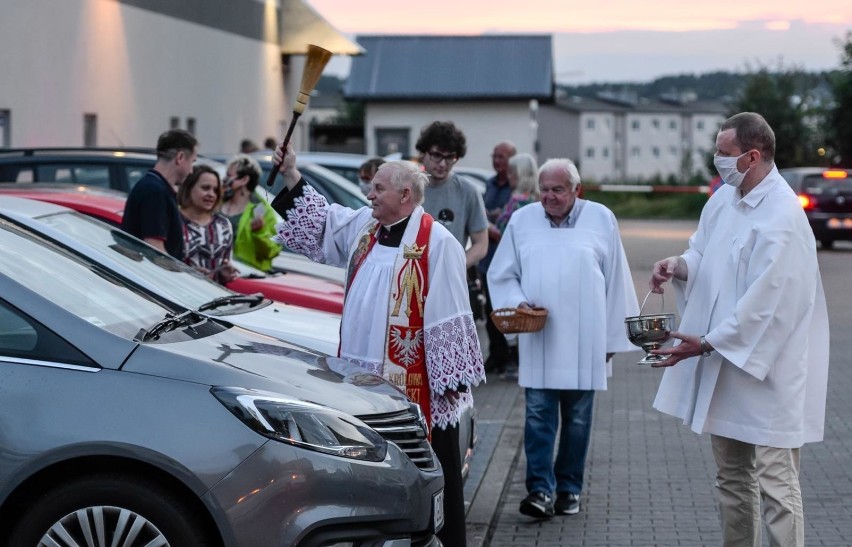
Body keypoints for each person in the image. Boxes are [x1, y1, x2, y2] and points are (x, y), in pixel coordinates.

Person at [270, 144, 485, 547]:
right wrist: (291, 174)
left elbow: (451, 313)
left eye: (378, 188)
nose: (369, 194)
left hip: (414, 382)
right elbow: (322, 221)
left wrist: (447, 381)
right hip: (359, 376)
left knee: (426, 473)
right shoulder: (366, 229)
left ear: (405, 195)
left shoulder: (438, 243)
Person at [648, 112, 829, 547]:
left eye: (723, 155)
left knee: (776, 482)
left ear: (752, 155)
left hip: (768, 369)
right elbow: (704, 256)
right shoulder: (723, 201)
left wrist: (709, 341)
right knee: (731, 477)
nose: (716, 162)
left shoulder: (783, 215)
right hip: (725, 364)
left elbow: (771, 301)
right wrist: (679, 265)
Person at [488, 158, 639, 519]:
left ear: (576, 190)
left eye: (558, 190)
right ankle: (540, 490)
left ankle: (569, 488)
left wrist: (612, 340)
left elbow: (617, 279)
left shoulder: (601, 218)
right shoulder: (523, 221)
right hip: (540, 337)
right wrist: (516, 303)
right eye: (544, 189)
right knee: (538, 416)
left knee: (577, 420)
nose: (550, 197)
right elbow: (502, 274)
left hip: (586, 342)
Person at [415, 121, 488, 270]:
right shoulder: (407, 187)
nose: (443, 164)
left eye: (450, 157)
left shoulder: (468, 191)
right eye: (436, 155)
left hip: (447, 278)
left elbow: (481, 244)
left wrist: (456, 266)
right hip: (409, 278)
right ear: (423, 153)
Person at [122, 129, 197, 259]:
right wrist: (182, 276)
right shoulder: (155, 192)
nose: (191, 171)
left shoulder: (153, 186)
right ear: (180, 157)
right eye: (192, 162)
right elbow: (154, 249)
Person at [478, 141, 516, 374]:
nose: (497, 160)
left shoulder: (515, 188)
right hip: (487, 256)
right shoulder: (489, 184)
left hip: (506, 259)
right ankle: (495, 353)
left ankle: (510, 357)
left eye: (501, 156)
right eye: (495, 155)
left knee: (506, 309)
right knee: (490, 310)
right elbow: (481, 214)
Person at [219, 154, 282, 272]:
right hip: (217, 273)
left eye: (228, 175)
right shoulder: (218, 202)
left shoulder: (260, 209)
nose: (224, 179)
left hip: (247, 276)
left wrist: (259, 232)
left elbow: (272, 251)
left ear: (244, 180)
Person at [177, 164, 239, 284]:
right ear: (189, 188)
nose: (211, 194)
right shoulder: (173, 219)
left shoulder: (223, 224)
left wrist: (224, 274)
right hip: (179, 295)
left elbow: (226, 263)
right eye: (205, 188)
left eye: (215, 190)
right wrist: (187, 273)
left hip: (214, 297)